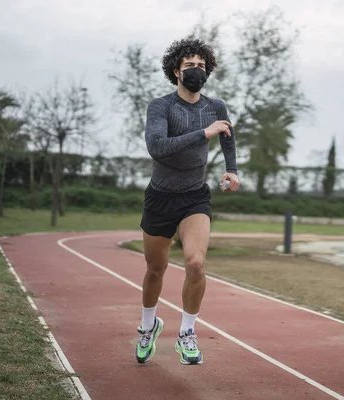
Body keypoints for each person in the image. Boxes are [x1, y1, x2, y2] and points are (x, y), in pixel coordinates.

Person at [135, 38, 239, 365]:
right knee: (156, 269)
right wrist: (202, 134)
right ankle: (148, 326)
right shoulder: (161, 106)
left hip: (195, 196)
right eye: (190, 66)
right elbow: (157, 147)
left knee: (195, 263)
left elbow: (227, 138)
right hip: (160, 197)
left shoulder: (215, 106)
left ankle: (187, 334)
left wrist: (231, 170)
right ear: (176, 71)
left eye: (201, 66)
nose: (197, 71)